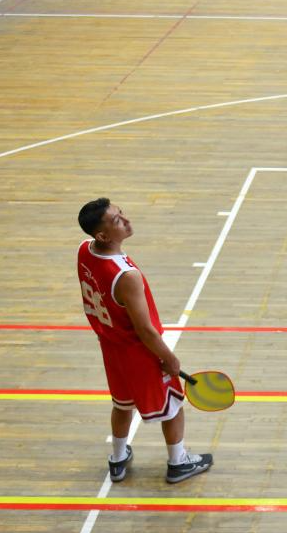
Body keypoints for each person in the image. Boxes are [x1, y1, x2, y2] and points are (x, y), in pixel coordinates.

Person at [76, 198, 213, 484]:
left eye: (121, 213)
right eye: (117, 220)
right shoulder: (126, 276)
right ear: (102, 235)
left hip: (111, 348)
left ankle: (118, 457)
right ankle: (178, 462)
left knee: (122, 404)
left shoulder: (84, 250)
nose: (126, 220)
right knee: (173, 406)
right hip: (139, 353)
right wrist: (169, 358)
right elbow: (145, 330)